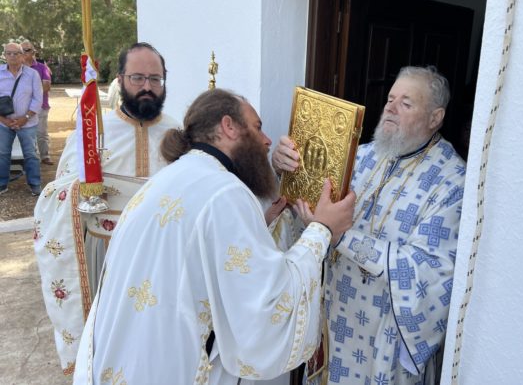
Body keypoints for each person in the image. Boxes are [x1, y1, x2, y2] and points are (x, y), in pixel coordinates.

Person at [72, 88, 356, 385]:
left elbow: (200, 257)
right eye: (257, 127)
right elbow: (265, 307)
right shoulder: (226, 192)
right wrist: (322, 230)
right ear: (228, 126)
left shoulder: (172, 176)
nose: (267, 140)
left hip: (130, 360)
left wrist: (261, 224)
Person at [271, 66, 466, 384]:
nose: (391, 107)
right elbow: (303, 214)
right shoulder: (358, 157)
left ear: (435, 118)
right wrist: (284, 171)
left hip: (383, 339)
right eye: (390, 99)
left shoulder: (452, 182)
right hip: (333, 320)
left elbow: (427, 274)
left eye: (406, 103)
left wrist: (341, 236)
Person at [33, 42, 179, 375]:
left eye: (155, 79)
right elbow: (55, 192)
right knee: (108, 341)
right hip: (106, 255)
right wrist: (80, 188)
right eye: (138, 77)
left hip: (161, 256)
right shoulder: (94, 130)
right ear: (120, 79)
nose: (147, 86)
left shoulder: (177, 133)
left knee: (157, 344)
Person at [0, 42, 43, 196]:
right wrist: (3, 120)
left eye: (16, 53)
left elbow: (38, 98)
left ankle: (35, 184)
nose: (12, 56)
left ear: (22, 56)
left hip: (28, 122)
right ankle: (2, 184)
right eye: (9, 53)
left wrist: (25, 117)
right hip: (3, 123)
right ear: (4, 55)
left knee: (31, 154)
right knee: (2, 154)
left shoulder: (32, 74)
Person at [21, 40, 53, 165]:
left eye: (27, 50)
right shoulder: (16, 67)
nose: (24, 52)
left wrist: (27, 92)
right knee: (26, 133)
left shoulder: (42, 67)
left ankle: (45, 156)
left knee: (41, 133)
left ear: (33, 52)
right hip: (22, 107)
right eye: (22, 50)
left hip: (41, 106)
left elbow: (47, 86)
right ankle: (30, 157)